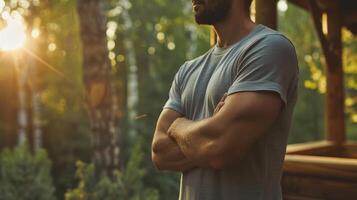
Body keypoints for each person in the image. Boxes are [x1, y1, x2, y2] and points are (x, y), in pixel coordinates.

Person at [151, 0, 299, 199]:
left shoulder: (270, 48)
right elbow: (160, 152)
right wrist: (210, 135)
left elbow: (218, 148)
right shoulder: (188, 71)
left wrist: (178, 126)